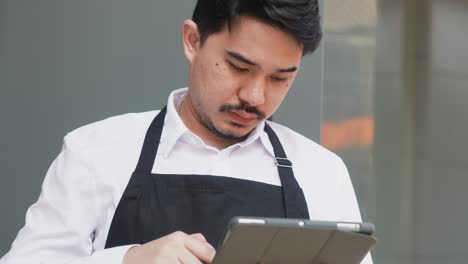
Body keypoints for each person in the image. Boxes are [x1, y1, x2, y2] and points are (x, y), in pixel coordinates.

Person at [0, 0, 372, 263]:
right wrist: (128, 261)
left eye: (280, 78)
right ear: (192, 41)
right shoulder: (96, 151)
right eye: (238, 67)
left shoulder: (322, 171)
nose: (255, 96)